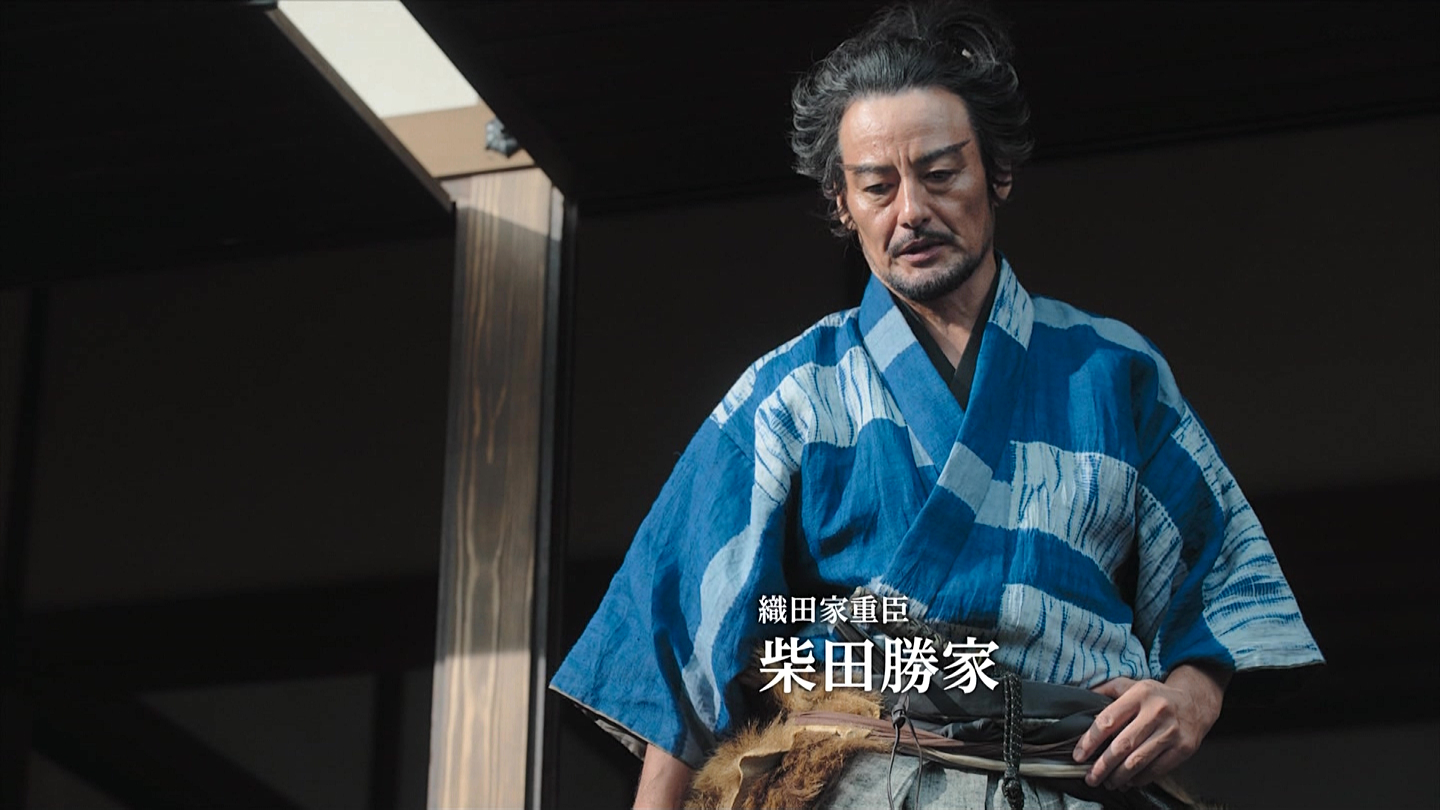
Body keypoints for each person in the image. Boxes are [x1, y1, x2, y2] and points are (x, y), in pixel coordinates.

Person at [551, 2, 1323, 807]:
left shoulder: (1111, 371)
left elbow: (1219, 574)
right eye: (877, 187)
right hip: (858, 780)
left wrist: (1191, 698)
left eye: (941, 174)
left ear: (999, 173)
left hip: (1076, 777)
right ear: (842, 204)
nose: (911, 211)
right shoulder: (791, 392)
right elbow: (680, 635)